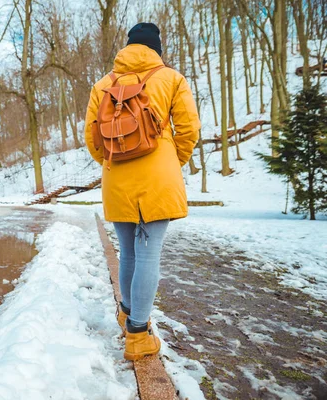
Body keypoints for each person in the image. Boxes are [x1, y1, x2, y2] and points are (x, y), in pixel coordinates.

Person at [84, 23, 200, 361]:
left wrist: (114, 159)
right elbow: (189, 129)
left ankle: (126, 314)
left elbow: (93, 139)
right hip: (158, 179)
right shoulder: (172, 78)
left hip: (117, 179)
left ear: (129, 47)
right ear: (156, 49)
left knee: (128, 253)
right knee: (148, 254)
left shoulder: (102, 85)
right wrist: (171, 159)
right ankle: (137, 336)